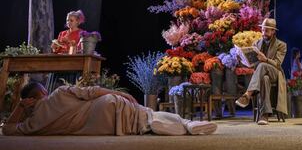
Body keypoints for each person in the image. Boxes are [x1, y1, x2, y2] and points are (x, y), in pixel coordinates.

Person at [2, 82, 217, 136]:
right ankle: (186, 123)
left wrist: (21, 107)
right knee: (146, 113)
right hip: (106, 106)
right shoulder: (59, 93)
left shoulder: (33, 125)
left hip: (98, 127)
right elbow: (92, 91)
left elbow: (6, 129)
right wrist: (122, 94)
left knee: (141, 123)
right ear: (40, 94)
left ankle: (155, 126)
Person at [235, 18, 288, 125]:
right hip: (261, 74)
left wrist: (266, 59)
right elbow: (253, 64)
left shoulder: (281, 45)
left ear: (273, 31)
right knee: (264, 79)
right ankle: (264, 115)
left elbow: (278, 64)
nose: (263, 33)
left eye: (267, 31)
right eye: (263, 30)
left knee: (263, 65)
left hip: (276, 73)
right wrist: (242, 59)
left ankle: (247, 95)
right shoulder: (256, 43)